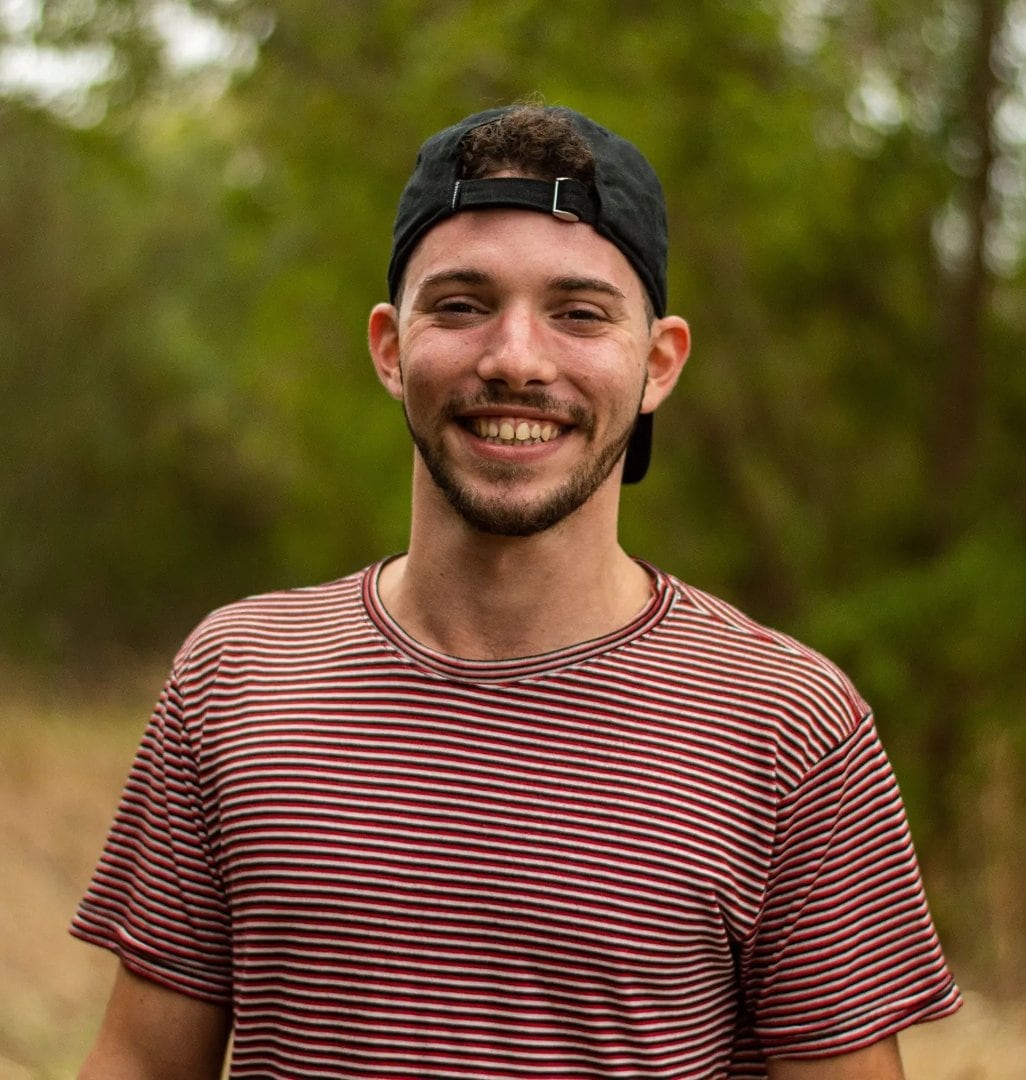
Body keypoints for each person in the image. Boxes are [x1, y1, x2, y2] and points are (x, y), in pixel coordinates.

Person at [72, 103, 961, 1079]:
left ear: (659, 363)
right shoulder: (237, 677)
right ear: (388, 346)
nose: (515, 359)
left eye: (579, 313)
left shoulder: (787, 728)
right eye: (461, 305)